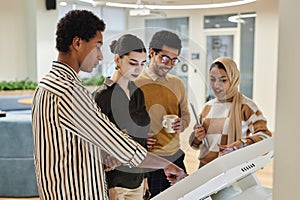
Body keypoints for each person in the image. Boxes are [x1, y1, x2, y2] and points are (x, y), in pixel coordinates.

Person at [31, 10, 185, 200]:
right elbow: (120, 146)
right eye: (97, 47)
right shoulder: (68, 91)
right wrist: (166, 165)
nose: (100, 56)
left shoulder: (47, 84)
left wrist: (104, 157)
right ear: (78, 43)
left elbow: (72, 147)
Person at [189, 57, 272, 198]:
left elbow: (266, 137)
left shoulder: (246, 106)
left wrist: (242, 143)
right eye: (212, 79)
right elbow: (196, 145)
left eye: (223, 79)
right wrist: (196, 137)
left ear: (233, 79)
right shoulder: (207, 107)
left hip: (232, 171)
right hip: (205, 170)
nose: (216, 85)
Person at [93, 34, 150, 200]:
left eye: (142, 64)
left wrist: (145, 176)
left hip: (138, 180)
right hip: (116, 184)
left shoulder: (138, 93)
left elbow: (142, 138)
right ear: (118, 60)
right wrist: (110, 186)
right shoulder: (102, 96)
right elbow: (98, 145)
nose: (138, 69)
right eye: (133, 63)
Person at [135, 30, 190, 197]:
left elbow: (186, 116)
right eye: (165, 58)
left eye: (174, 60)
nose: (169, 64)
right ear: (152, 53)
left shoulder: (177, 83)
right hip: (150, 159)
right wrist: (140, 137)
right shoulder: (135, 83)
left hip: (176, 155)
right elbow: (124, 125)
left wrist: (182, 123)